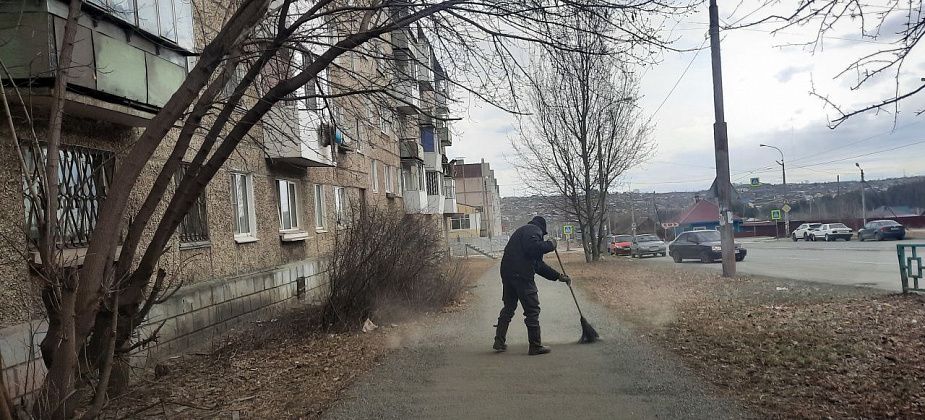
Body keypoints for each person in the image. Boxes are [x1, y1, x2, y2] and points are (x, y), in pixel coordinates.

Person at [493, 216, 571, 355]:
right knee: (532, 310)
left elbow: (538, 265)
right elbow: (533, 248)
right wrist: (551, 245)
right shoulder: (533, 230)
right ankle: (535, 346)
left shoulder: (523, 232)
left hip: (508, 274)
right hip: (522, 275)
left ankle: (499, 341)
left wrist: (558, 276)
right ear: (542, 228)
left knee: (509, 307)